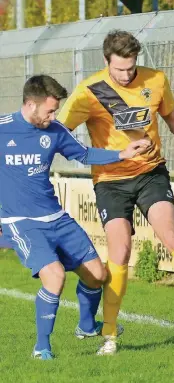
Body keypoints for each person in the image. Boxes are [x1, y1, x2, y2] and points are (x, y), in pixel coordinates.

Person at [58, 29, 174, 356]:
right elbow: (58, 133)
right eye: (119, 69)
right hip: (110, 180)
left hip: (151, 173)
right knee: (120, 252)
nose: (125, 75)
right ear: (106, 61)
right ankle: (109, 335)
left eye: (131, 68)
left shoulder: (156, 81)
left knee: (172, 236)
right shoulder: (88, 92)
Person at [0, 74, 151, 360]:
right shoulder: (2, 129)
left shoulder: (54, 131)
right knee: (54, 277)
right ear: (31, 105)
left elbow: (83, 154)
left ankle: (85, 326)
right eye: (50, 110)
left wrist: (122, 153)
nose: (54, 115)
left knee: (97, 275)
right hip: (21, 222)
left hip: (56, 217)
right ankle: (42, 347)